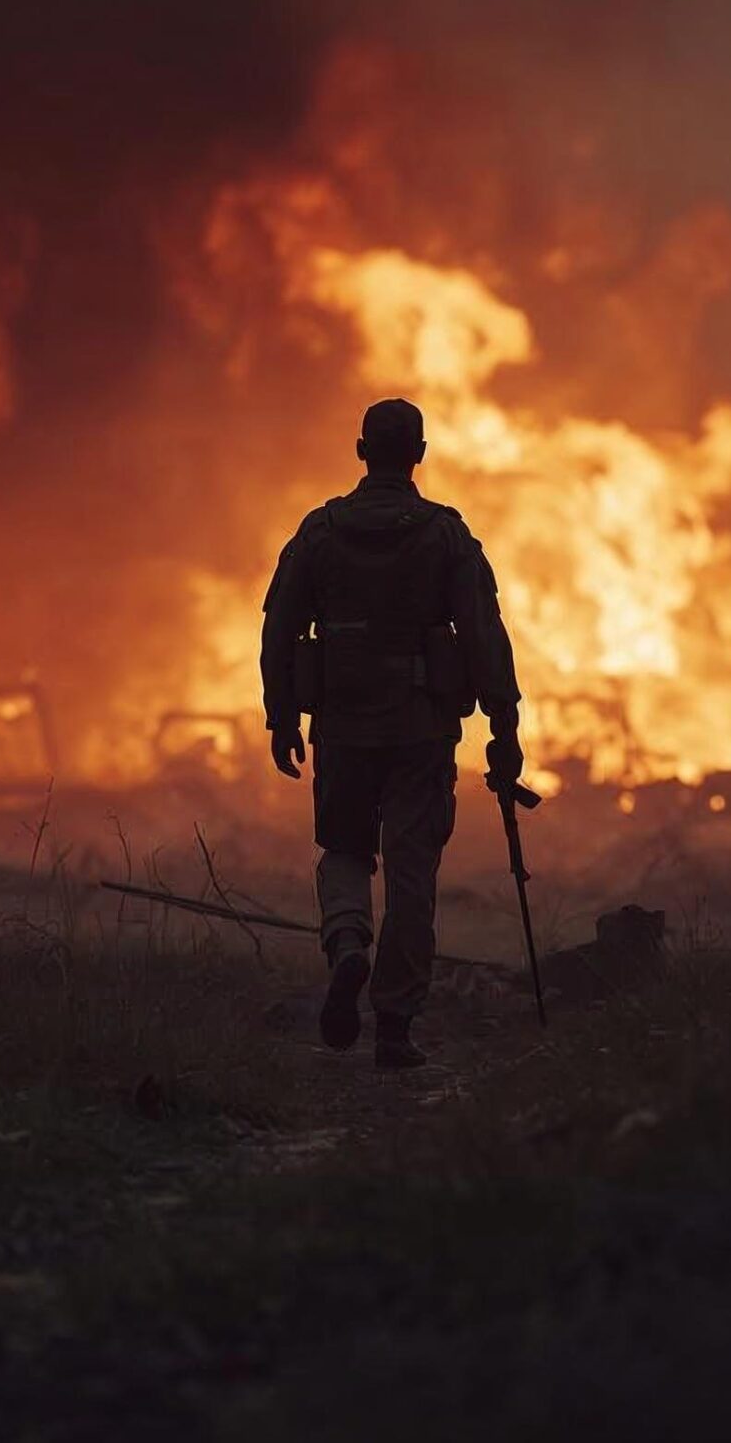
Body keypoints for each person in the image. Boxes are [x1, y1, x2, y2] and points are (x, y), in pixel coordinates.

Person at [259, 397, 525, 1069]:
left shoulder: (319, 532)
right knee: (412, 872)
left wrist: (282, 715)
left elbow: (278, 628)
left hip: (343, 727)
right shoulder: (445, 536)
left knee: (345, 849)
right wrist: (504, 726)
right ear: (420, 455)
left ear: (361, 451)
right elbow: (483, 634)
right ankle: (396, 1025)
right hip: (420, 731)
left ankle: (348, 942)